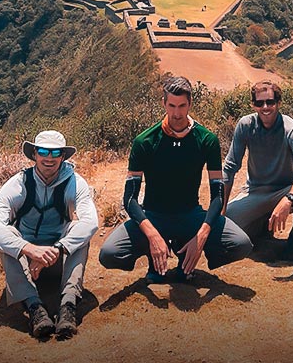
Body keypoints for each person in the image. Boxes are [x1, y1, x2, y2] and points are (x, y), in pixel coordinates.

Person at [98, 75, 252, 282]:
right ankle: (156, 256)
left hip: (191, 215)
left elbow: (217, 196)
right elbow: (130, 198)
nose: (177, 113)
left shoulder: (207, 140)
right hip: (153, 215)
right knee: (109, 254)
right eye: (171, 105)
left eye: (182, 106)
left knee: (241, 244)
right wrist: (152, 236)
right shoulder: (145, 141)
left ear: (190, 104)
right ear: (163, 103)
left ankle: (185, 255)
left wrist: (202, 234)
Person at [0, 130, 98, 339]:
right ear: (35, 154)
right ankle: (34, 307)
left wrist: (58, 249)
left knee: (78, 229)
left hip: (58, 260)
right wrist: (29, 250)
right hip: (28, 263)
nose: (49, 158)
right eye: (44, 151)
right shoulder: (18, 184)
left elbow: (91, 223)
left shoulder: (74, 183)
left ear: (63, 156)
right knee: (8, 233)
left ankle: (68, 305)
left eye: (56, 153)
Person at [223, 81, 293, 260]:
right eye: (259, 103)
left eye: (270, 102)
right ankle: (261, 229)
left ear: (278, 103)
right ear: (253, 105)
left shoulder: (292, 129)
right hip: (255, 192)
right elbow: (229, 168)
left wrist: (288, 199)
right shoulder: (246, 125)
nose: (265, 107)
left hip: (284, 190)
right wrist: (222, 208)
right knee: (227, 224)